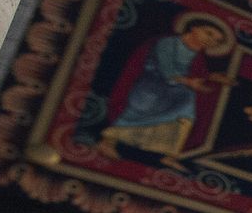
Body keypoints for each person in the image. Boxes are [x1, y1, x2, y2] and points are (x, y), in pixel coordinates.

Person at [97, 14, 233, 157]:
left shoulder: (198, 55)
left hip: (178, 90)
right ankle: (108, 142)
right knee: (141, 109)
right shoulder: (168, 43)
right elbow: (167, 70)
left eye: (216, 41)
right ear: (194, 28)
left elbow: (197, 73)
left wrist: (212, 77)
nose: (210, 40)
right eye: (209, 33)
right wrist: (189, 82)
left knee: (187, 108)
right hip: (152, 84)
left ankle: (171, 155)